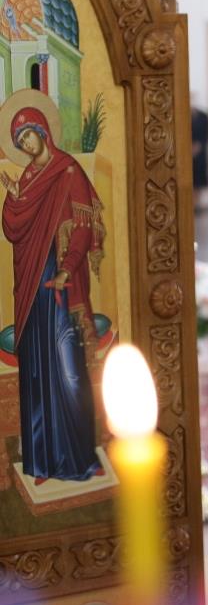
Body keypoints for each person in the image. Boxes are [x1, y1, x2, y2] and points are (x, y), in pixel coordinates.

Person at [1, 99, 105, 484]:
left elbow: (83, 227)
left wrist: (66, 268)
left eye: (28, 135)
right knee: (36, 371)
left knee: (68, 369)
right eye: (20, 141)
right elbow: (13, 230)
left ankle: (78, 459)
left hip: (61, 284)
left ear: (43, 131)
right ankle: (43, 463)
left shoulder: (67, 170)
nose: (26, 144)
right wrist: (14, 196)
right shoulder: (28, 178)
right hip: (32, 287)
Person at [191, 95, 208, 211]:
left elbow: (206, 134)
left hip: (200, 152)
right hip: (187, 153)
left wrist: (198, 146)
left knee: (199, 178)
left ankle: (197, 204)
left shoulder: (203, 116)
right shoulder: (182, 115)